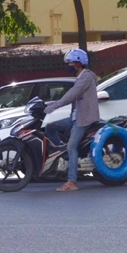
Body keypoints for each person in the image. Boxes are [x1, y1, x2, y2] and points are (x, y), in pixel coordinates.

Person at [44, 49, 99, 192]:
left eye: (70, 62)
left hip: (84, 118)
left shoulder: (86, 77)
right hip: (75, 117)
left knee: (71, 147)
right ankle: (64, 155)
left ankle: (72, 182)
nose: (68, 65)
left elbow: (71, 95)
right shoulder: (81, 76)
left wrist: (54, 106)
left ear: (77, 63)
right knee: (50, 128)